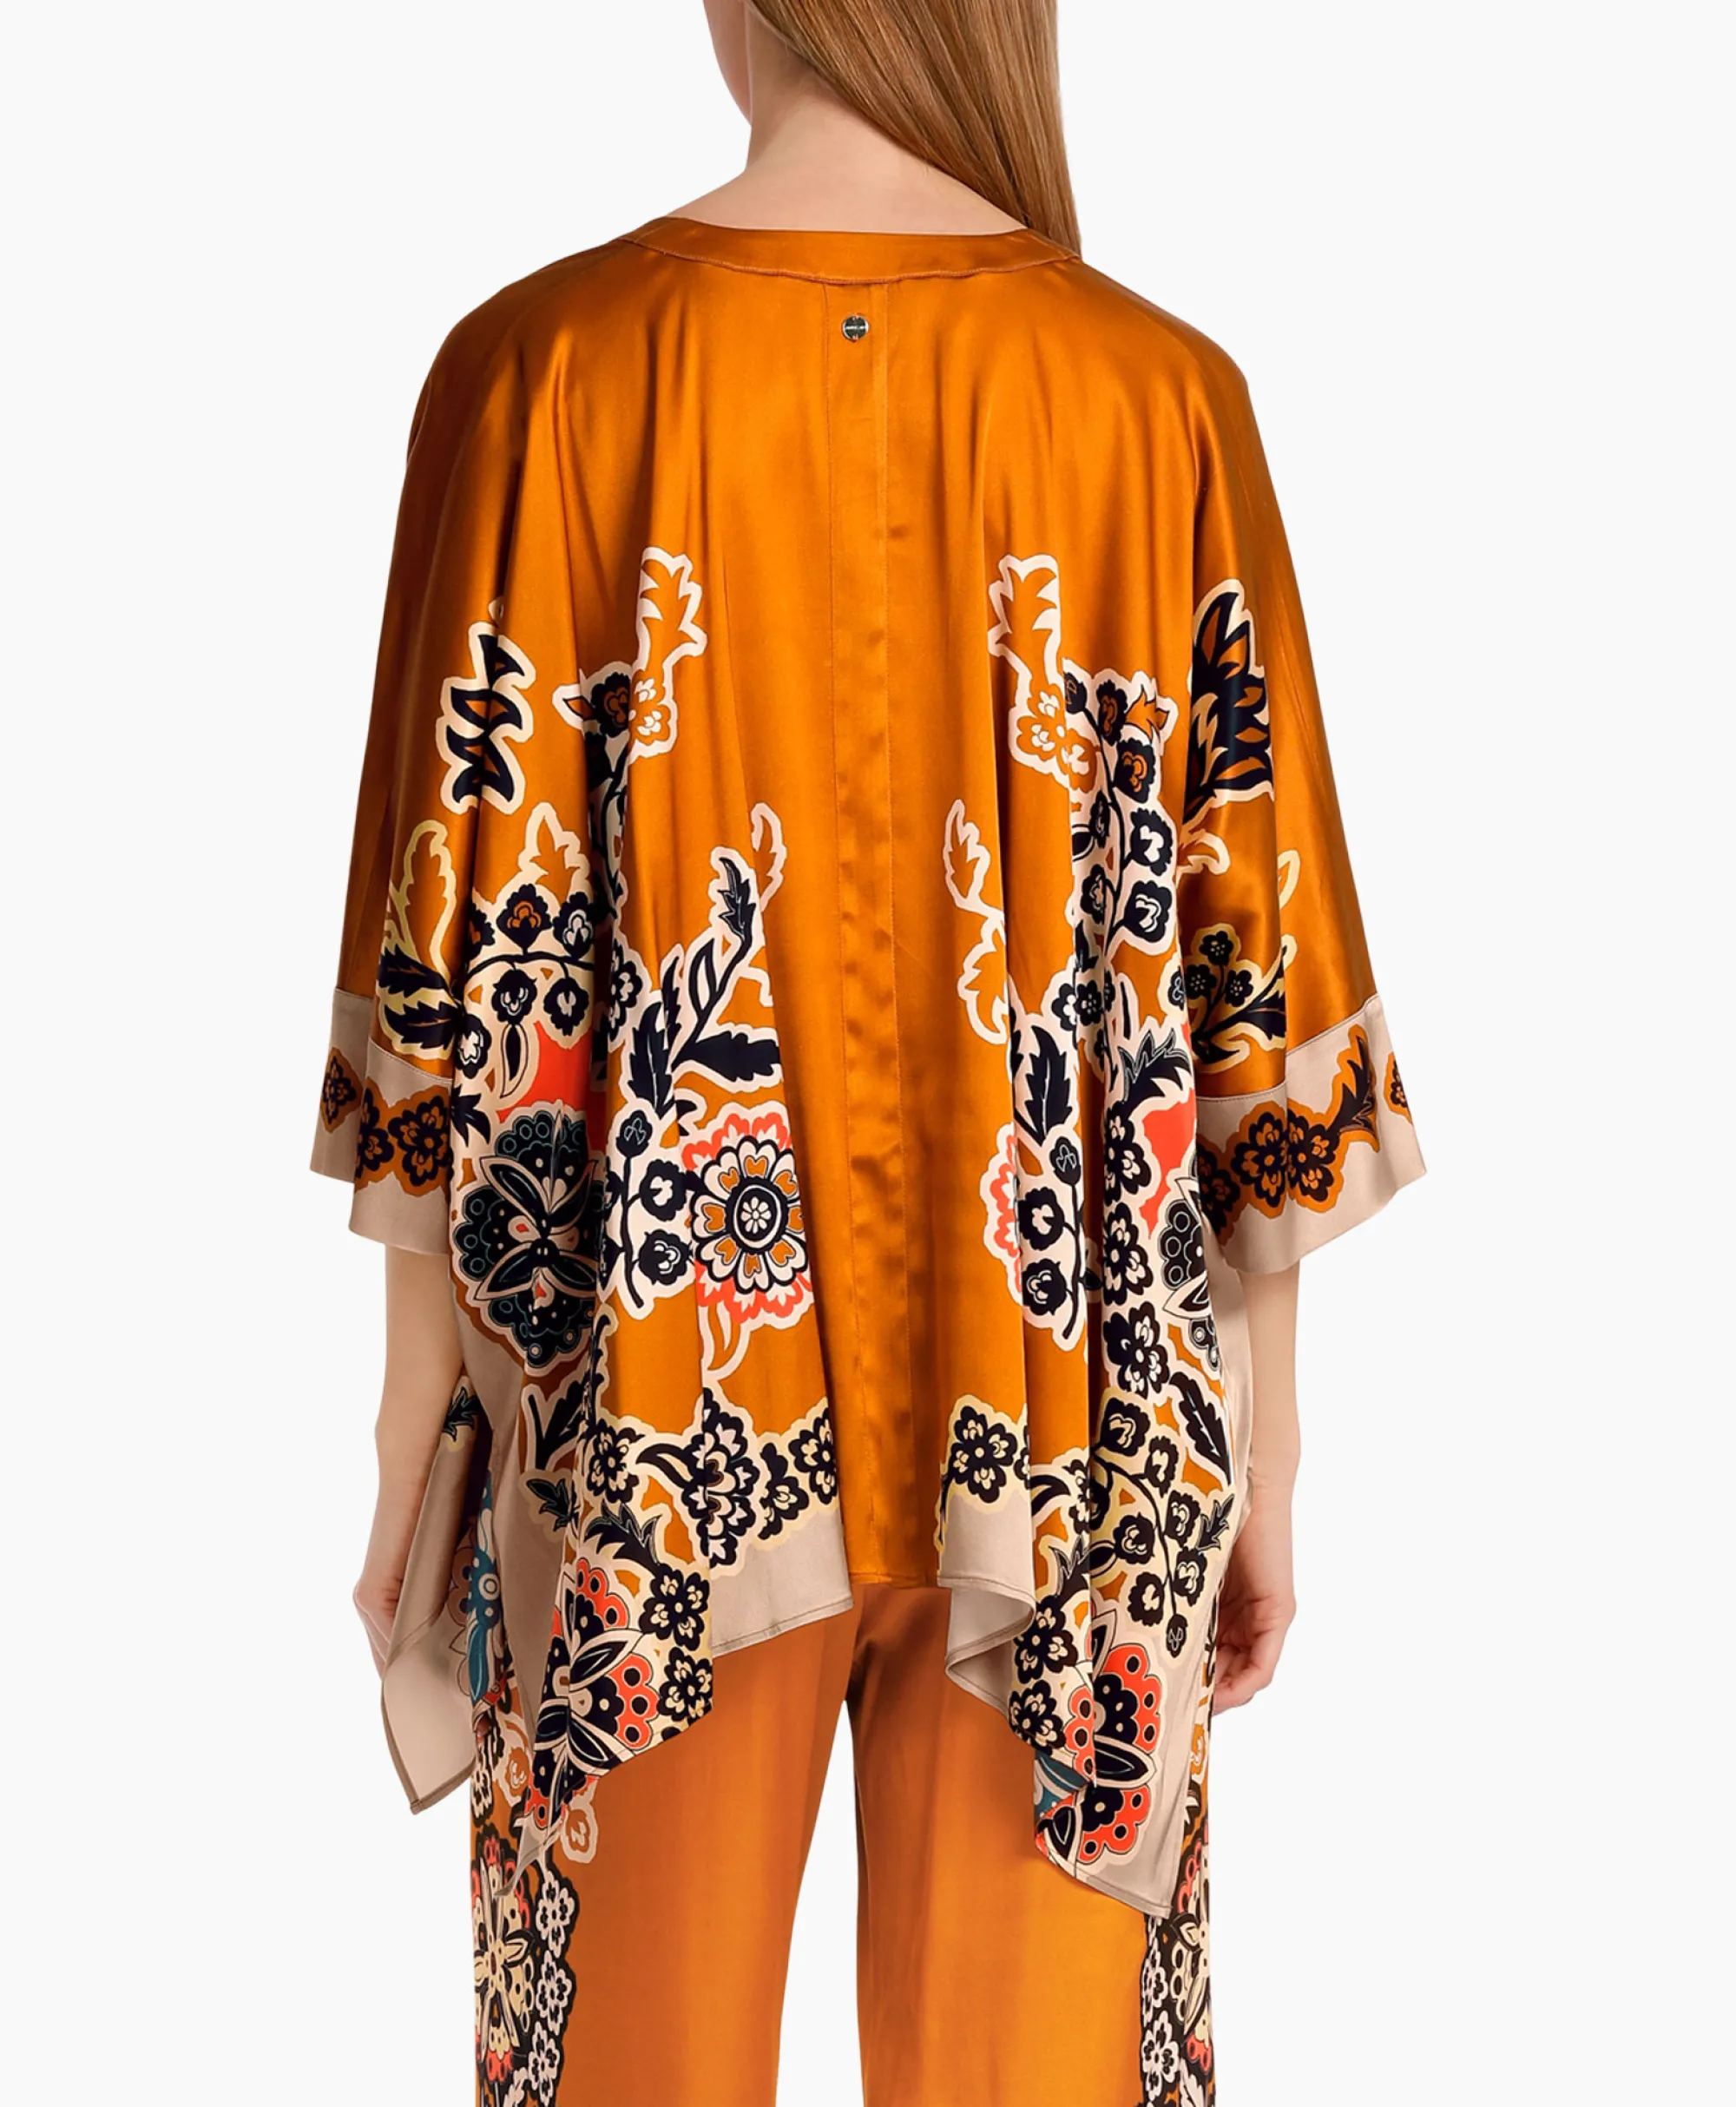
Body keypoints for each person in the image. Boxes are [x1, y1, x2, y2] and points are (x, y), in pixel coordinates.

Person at [311, 3, 1425, 2101]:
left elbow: (450, 953)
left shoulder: (538, 370)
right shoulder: (1154, 394)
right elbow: (1256, 981)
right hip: (1078, 1449)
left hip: (643, 1429)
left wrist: (410, 1428)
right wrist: (1270, 1446)